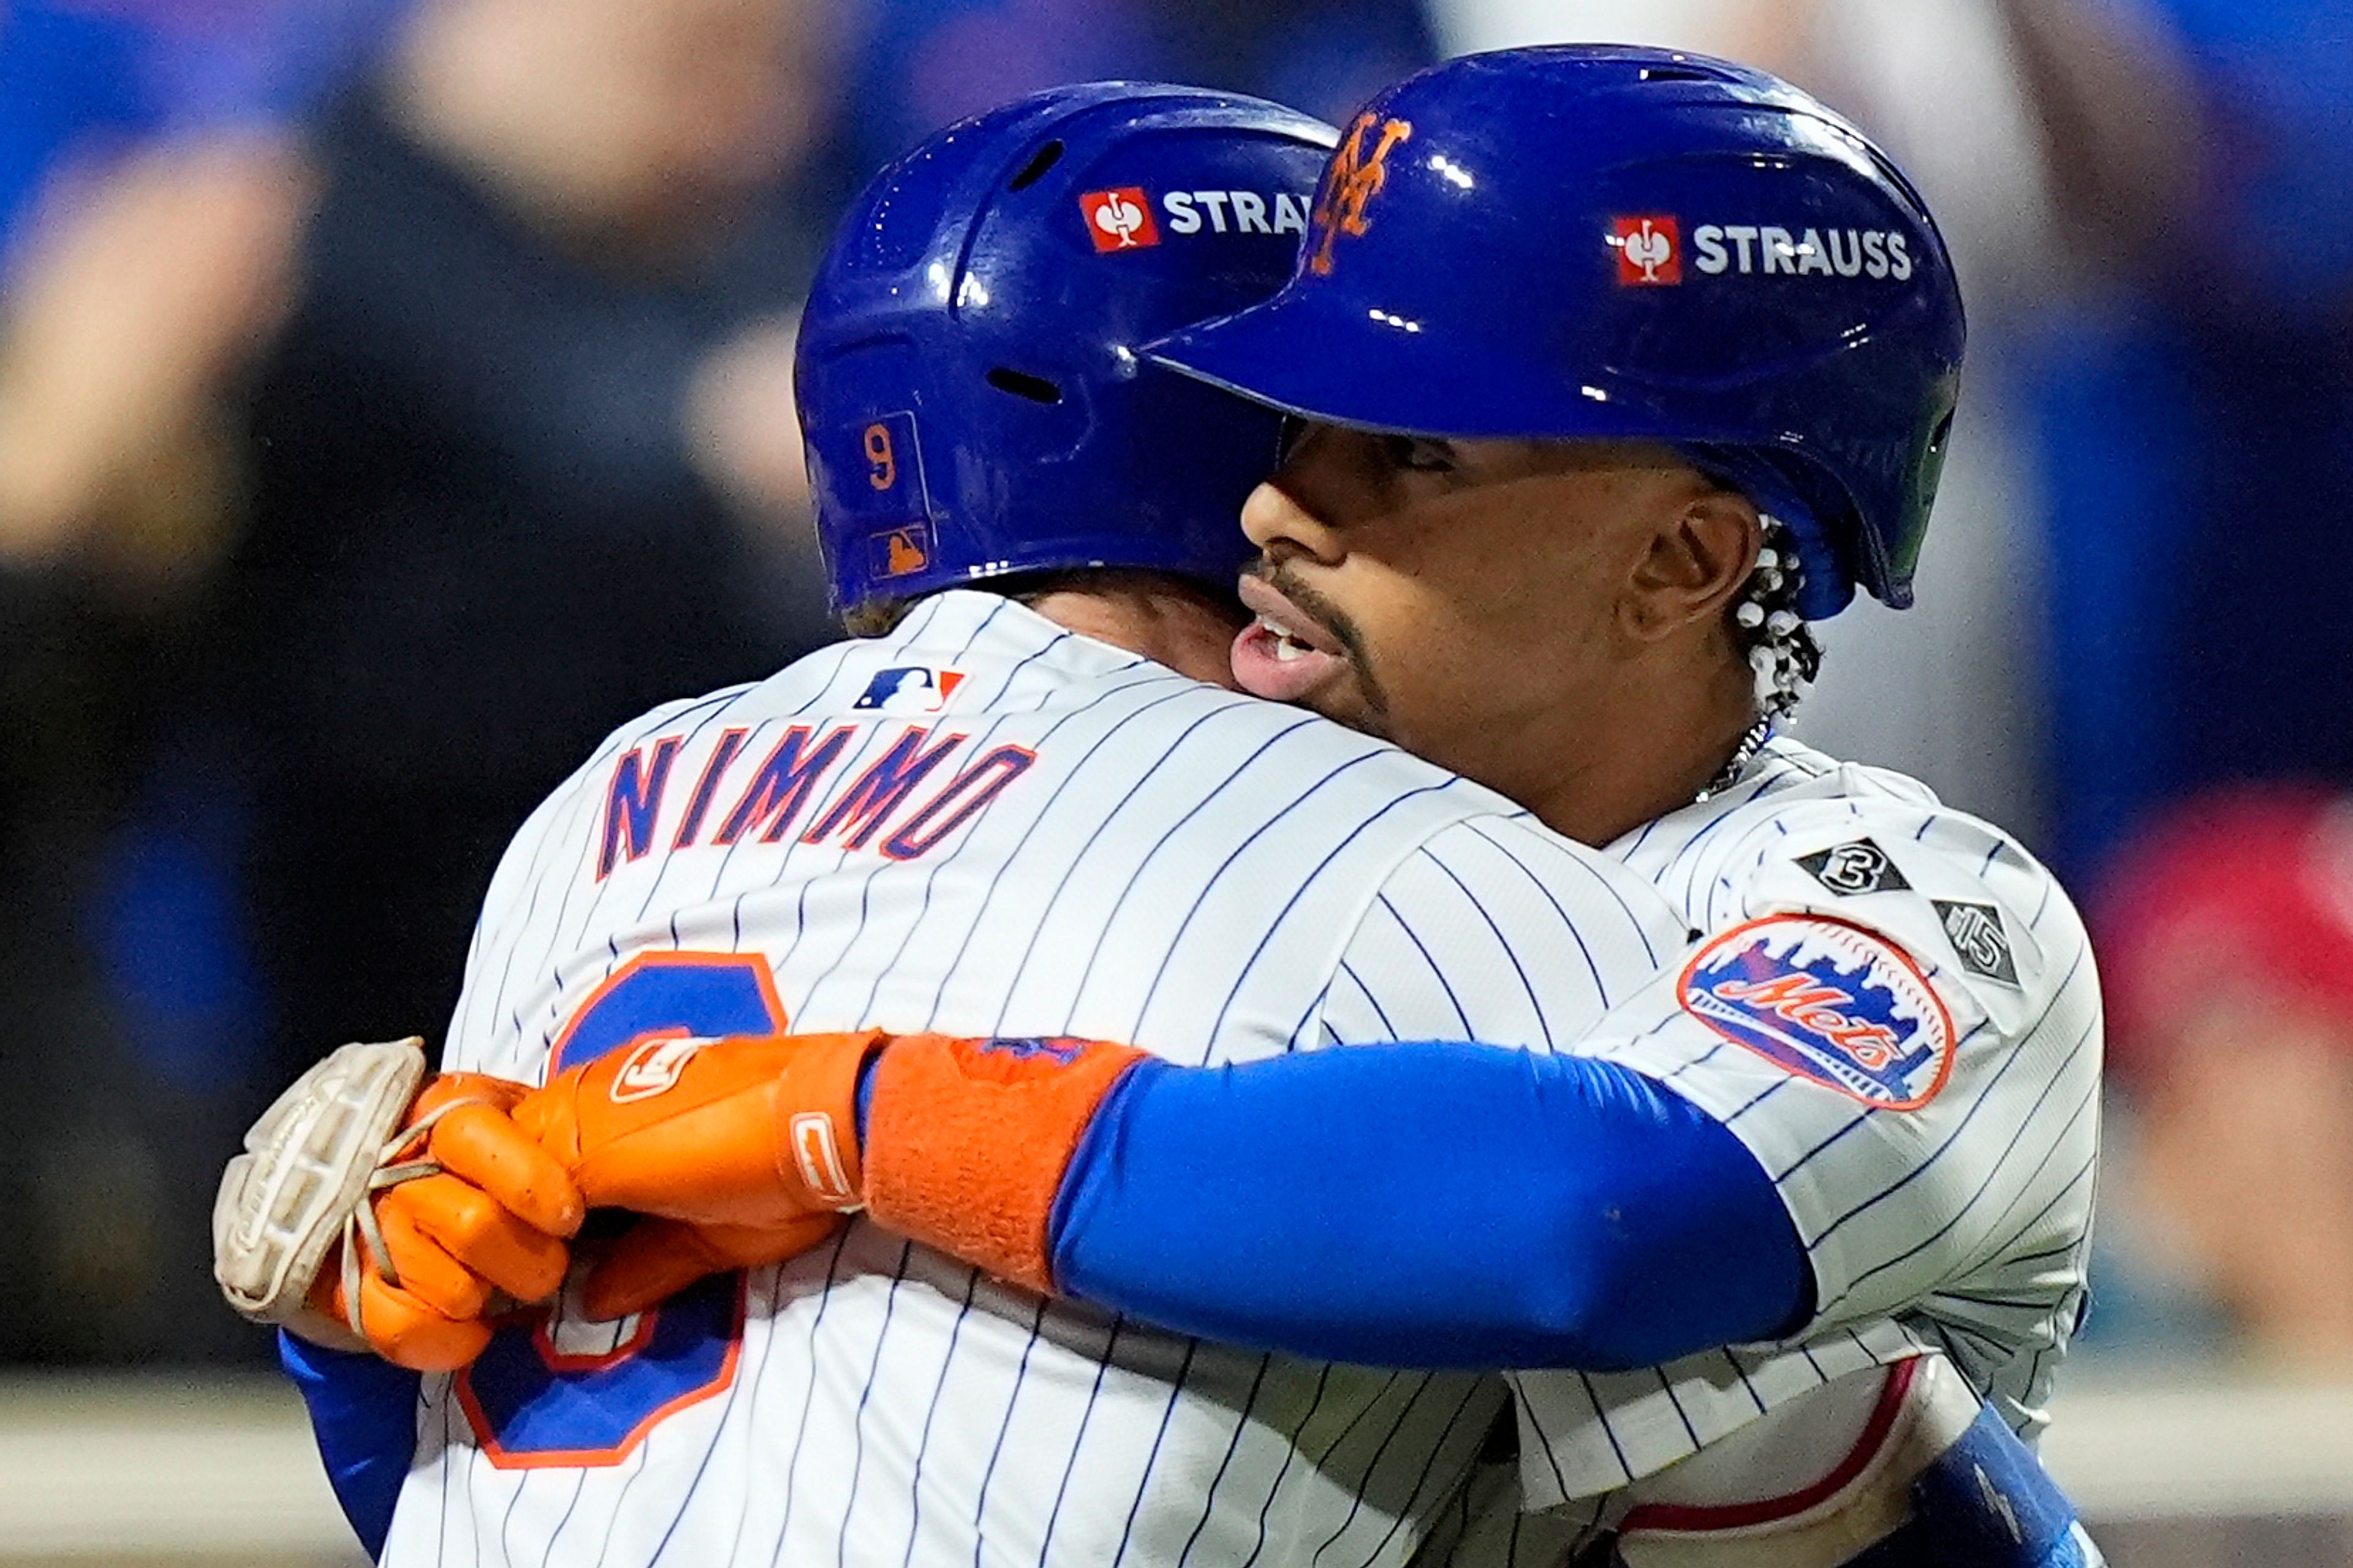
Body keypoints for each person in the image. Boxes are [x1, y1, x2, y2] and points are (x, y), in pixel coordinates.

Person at [503, 50, 2107, 1566]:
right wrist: (396, 1279)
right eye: (1288, 424)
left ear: (1680, 561)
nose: (1277, 501)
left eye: (1407, 452)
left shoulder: (1904, 903)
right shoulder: (1217, 863)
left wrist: (859, 1114)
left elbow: (1592, 1223)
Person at [221, 82, 1732, 1565]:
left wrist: (340, 1361)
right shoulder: (1415, 852)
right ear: (1259, 443)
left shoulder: (596, 806)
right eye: (1367, 417)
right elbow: (1768, 1364)